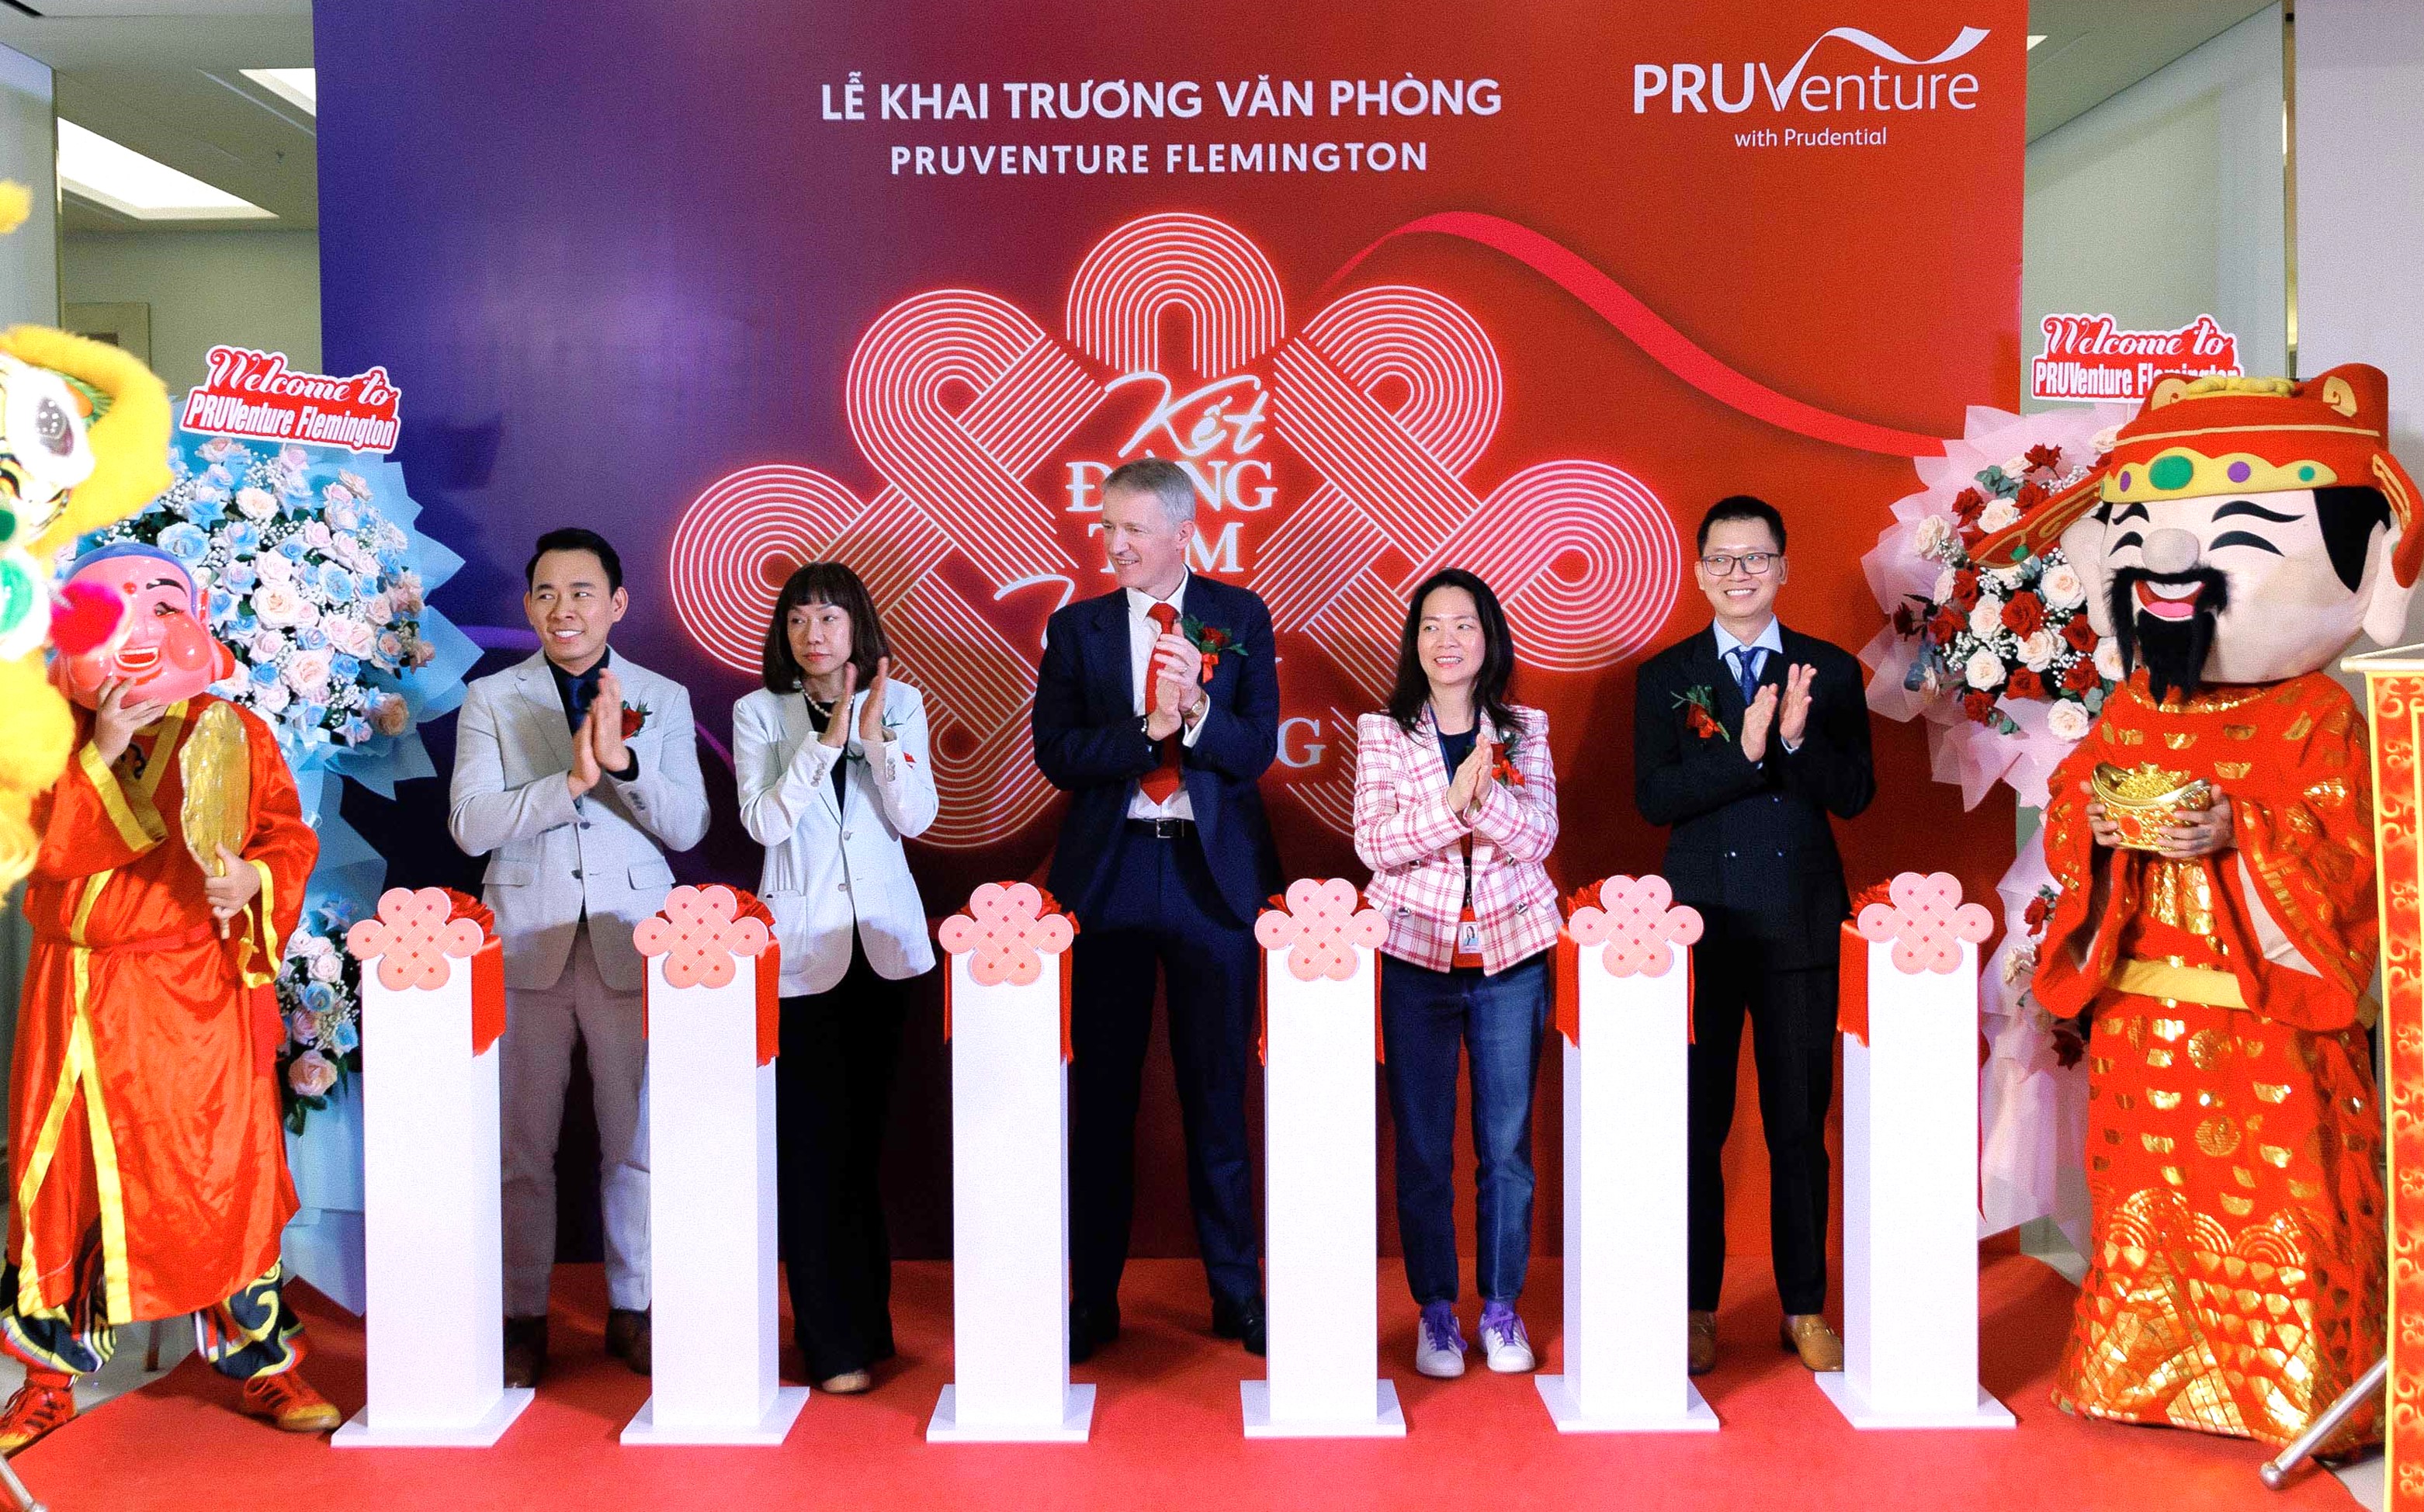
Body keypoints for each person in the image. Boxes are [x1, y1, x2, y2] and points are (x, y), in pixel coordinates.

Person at [1983, 366, 2413, 1450]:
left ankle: (2293, 1391)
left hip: (2267, 1019)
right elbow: (2074, 801)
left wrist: (2239, 831)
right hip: (2142, 1013)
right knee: (2141, 1202)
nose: (2169, 565)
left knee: (2289, 1199)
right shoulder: (2136, 703)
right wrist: (2100, 819)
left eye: (2240, 536)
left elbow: (2354, 862)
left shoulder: (2317, 714)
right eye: (2138, 539)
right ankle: (2140, 1376)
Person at [0, 544, 336, 1451]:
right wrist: (101, 748)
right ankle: (45, 1381)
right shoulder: (44, 730)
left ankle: (265, 1363)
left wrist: (257, 881)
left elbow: (285, 837)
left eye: (163, 604)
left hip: (194, 992)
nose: (143, 627)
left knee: (218, 1176)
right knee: (63, 1180)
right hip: (78, 990)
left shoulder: (233, 730)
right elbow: (39, 852)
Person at [1032, 456, 1281, 1361]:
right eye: (1107, 527)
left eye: (1134, 528)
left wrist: (1200, 710)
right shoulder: (1079, 627)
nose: (1116, 544)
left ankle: (1236, 1294)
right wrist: (1149, 732)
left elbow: (1257, 748)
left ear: (1184, 532)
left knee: (1218, 1094)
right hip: (1113, 875)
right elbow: (1056, 753)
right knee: (1102, 1099)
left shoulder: (1238, 616)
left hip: (1214, 879)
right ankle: (1093, 1298)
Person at [449, 526, 709, 1389]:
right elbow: (470, 825)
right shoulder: (491, 698)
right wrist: (564, 785)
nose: (565, 609)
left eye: (582, 592)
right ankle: (522, 1316)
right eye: (547, 594)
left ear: (617, 603)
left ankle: (635, 1306)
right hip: (526, 941)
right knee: (520, 1148)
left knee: (635, 1140)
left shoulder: (661, 696)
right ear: (529, 607)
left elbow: (688, 826)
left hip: (631, 940)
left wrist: (622, 764)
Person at [1633, 495, 1874, 1376]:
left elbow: (1855, 794)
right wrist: (1740, 752)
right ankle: (1695, 1307)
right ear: (1699, 571)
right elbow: (1654, 798)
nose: (1740, 574)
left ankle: (1804, 1307)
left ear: (1782, 568)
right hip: (1697, 928)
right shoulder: (1665, 676)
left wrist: (1798, 743)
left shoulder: (1830, 669)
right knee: (1696, 1125)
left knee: (1797, 1127)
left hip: (1799, 923)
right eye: (1723, 560)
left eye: (1756, 558)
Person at [733, 563, 937, 1396]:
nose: (813, 634)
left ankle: (868, 1325)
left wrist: (877, 739)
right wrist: (822, 747)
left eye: (829, 618)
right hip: (802, 957)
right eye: (798, 619)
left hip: (884, 950)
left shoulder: (903, 702)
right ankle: (829, 1340)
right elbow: (763, 821)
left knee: (864, 1146)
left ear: (857, 628)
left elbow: (917, 816)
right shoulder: (760, 712)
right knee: (812, 1150)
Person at [1353, 570, 1559, 1379]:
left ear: (1488, 638)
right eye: (1431, 626)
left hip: (1511, 957)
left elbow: (1537, 837)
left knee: (1505, 1148)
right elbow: (1374, 843)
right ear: (1415, 642)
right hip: (1414, 956)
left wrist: (1480, 800)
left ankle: (1501, 1308)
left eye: (1464, 624)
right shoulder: (1383, 732)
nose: (1447, 640)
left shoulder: (1525, 729)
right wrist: (1450, 803)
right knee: (1423, 1147)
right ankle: (1436, 1312)